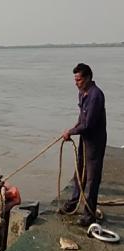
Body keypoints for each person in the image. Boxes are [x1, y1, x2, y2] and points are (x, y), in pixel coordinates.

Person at [61, 63, 107, 227]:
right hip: (85, 139)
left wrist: (71, 132)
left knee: (92, 178)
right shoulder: (83, 93)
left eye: (79, 79)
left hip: (95, 141)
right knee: (79, 172)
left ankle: (89, 215)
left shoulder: (96, 95)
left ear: (87, 78)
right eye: (75, 79)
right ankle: (72, 203)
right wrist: (73, 129)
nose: (76, 83)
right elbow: (82, 118)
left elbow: (88, 124)